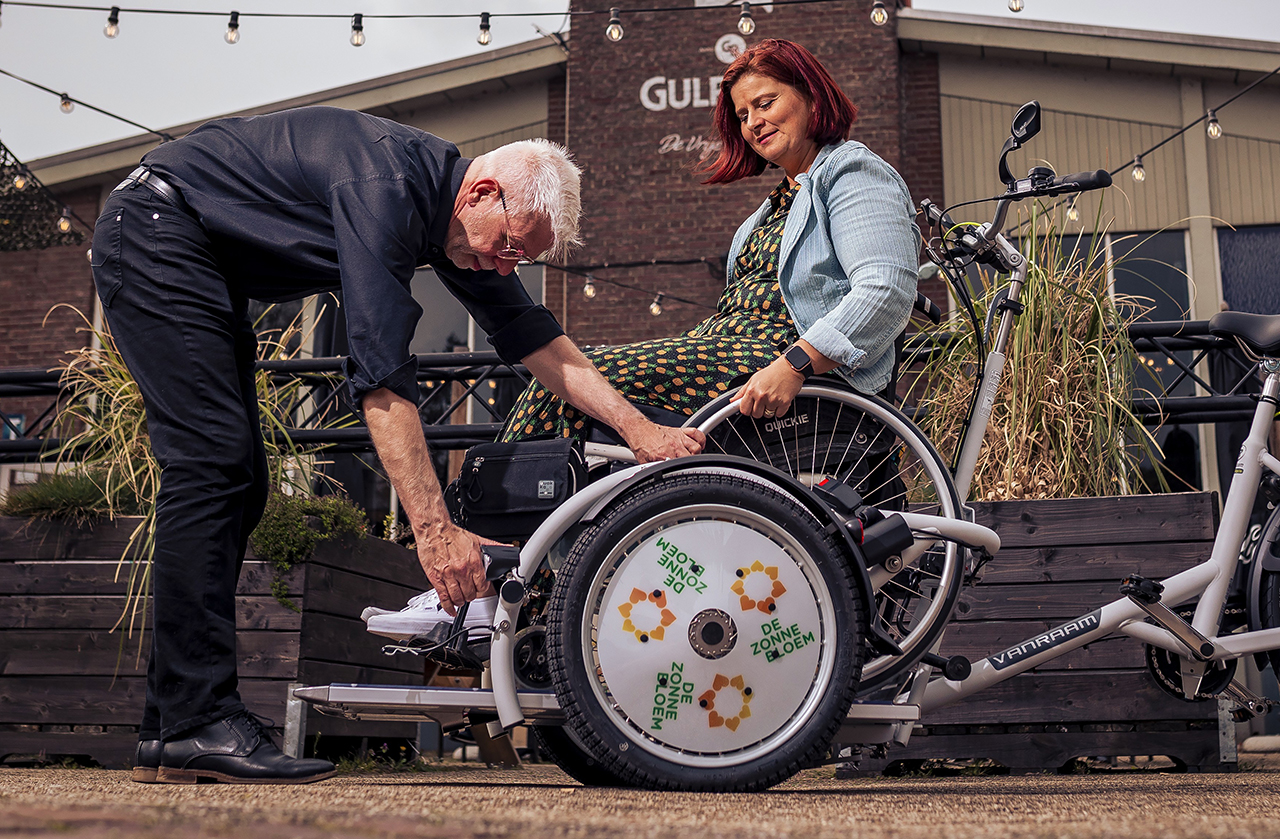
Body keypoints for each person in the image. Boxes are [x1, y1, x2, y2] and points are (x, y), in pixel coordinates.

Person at [91, 105, 703, 785]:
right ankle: (195, 719)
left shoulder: (453, 216)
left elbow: (532, 336)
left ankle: (170, 724)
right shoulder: (384, 189)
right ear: (482, 193)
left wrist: (640, 429)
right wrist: (435, 533)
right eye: (509, 245)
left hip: (193, 252)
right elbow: (381, 382)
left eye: (522, 257)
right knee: (211, 464)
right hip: (155, 229)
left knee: (235, 476)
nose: (506, 267)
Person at [368, 39, 920, 637]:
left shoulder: (854, 173)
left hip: (786, 367)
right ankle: (518, 585)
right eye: (742, 115)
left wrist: (797, 362)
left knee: (583, 377)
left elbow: (885, 291)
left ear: (812, 96)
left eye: (766, 103)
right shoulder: (766, 212)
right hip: (735, 356)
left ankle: (488, 582)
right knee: (575, 407)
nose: (754, 122)